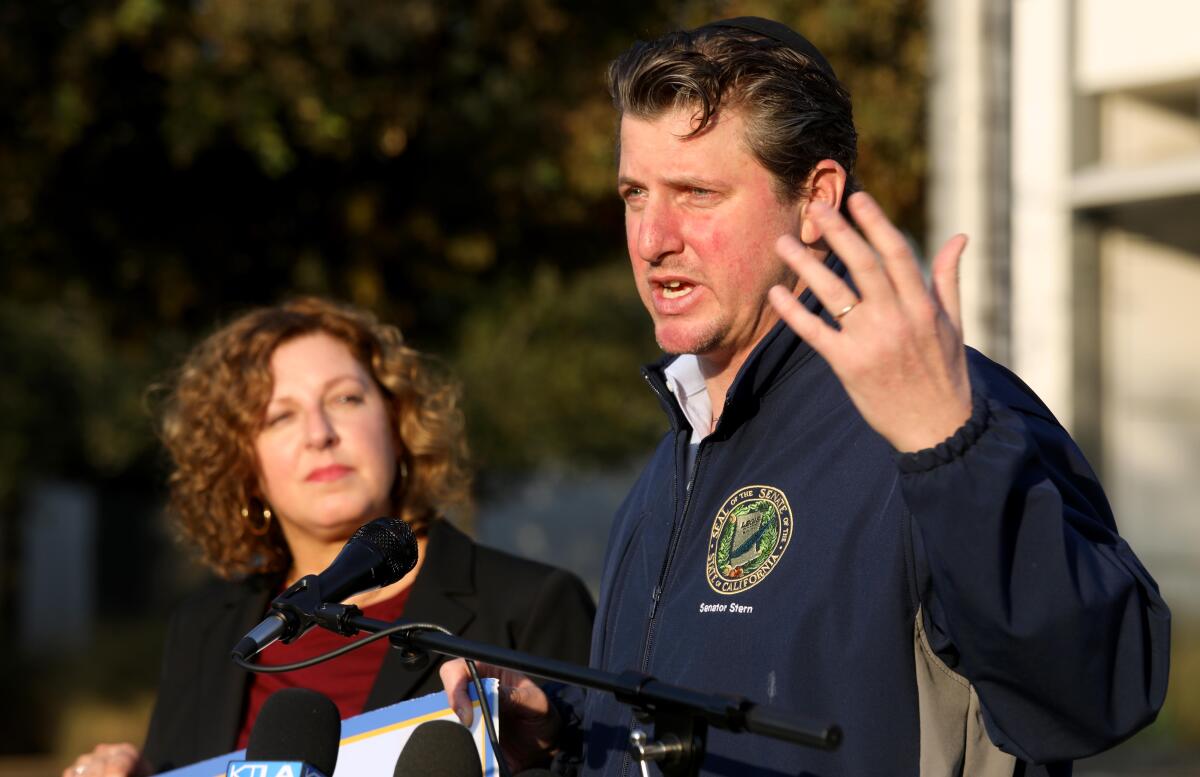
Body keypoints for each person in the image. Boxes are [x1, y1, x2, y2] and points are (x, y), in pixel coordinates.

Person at [441, 16, 1171, 776]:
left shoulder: (946, 411)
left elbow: (1098, 692)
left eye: (696, 193)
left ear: (817, 201)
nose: (653, 237)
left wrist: (949, 447)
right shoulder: (673, 458)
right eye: (634, 194)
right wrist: (564, 728)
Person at [64, 297, 596, 776]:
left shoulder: (533, 605)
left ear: (397, 421)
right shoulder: (205, 628)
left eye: (345, 399)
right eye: (280, 417)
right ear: (242, 465)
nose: (320, 433)